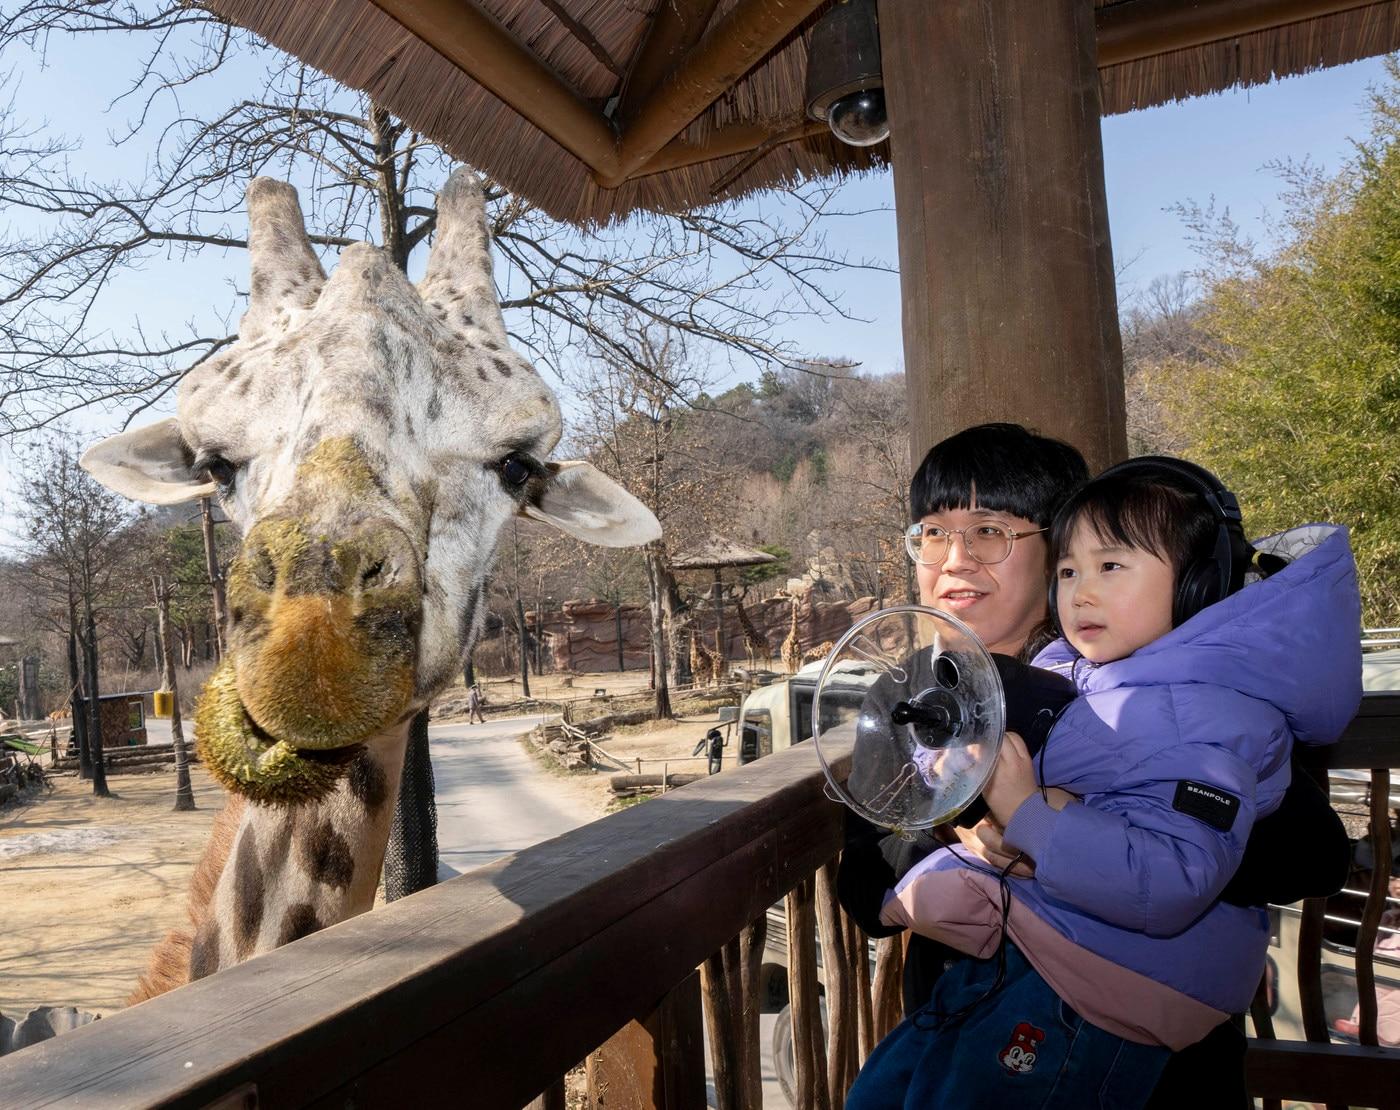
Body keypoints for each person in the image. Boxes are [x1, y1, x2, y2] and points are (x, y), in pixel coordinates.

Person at [836, 423, 1352, 1108]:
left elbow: (1313, 855)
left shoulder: (1155, 675)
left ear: (1055, 543)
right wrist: (966, 835)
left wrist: (1059, 824)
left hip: (1159, 1059)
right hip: (967, 1022)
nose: (953, 559)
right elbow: (864, 881)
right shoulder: (909, 695)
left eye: (989, 529)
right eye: (931, 532)